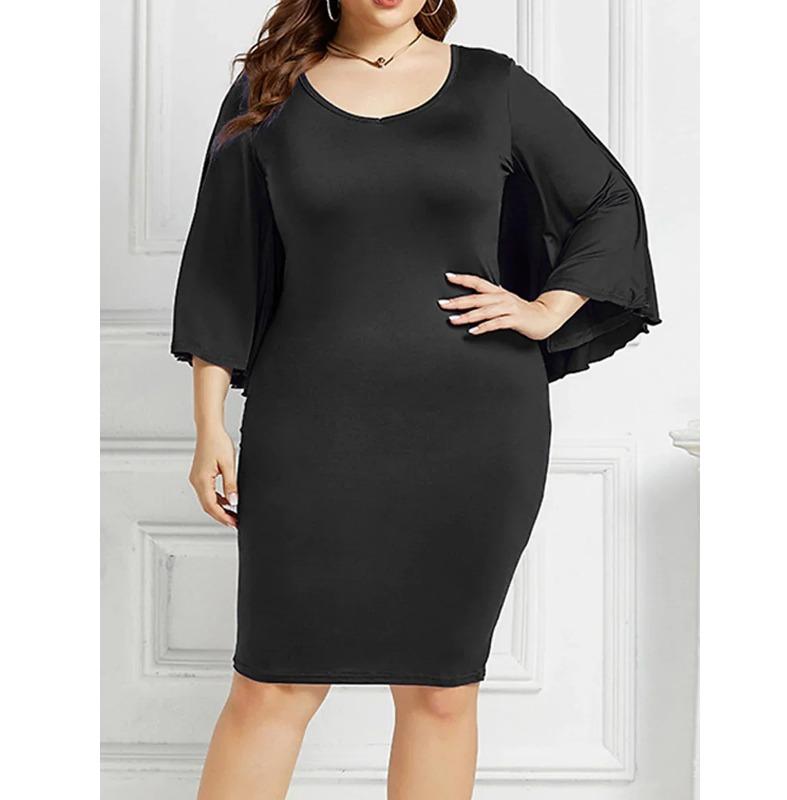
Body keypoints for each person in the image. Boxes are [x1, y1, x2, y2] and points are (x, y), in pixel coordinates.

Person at [170, 0, 660, 797]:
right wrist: (208, 426)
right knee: (273, 684)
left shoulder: (494, 86)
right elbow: (221, 266)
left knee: (440, 690)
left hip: (476, 428)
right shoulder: (268, 89)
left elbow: (609, 201)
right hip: (310, 428)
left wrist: (548, 308)